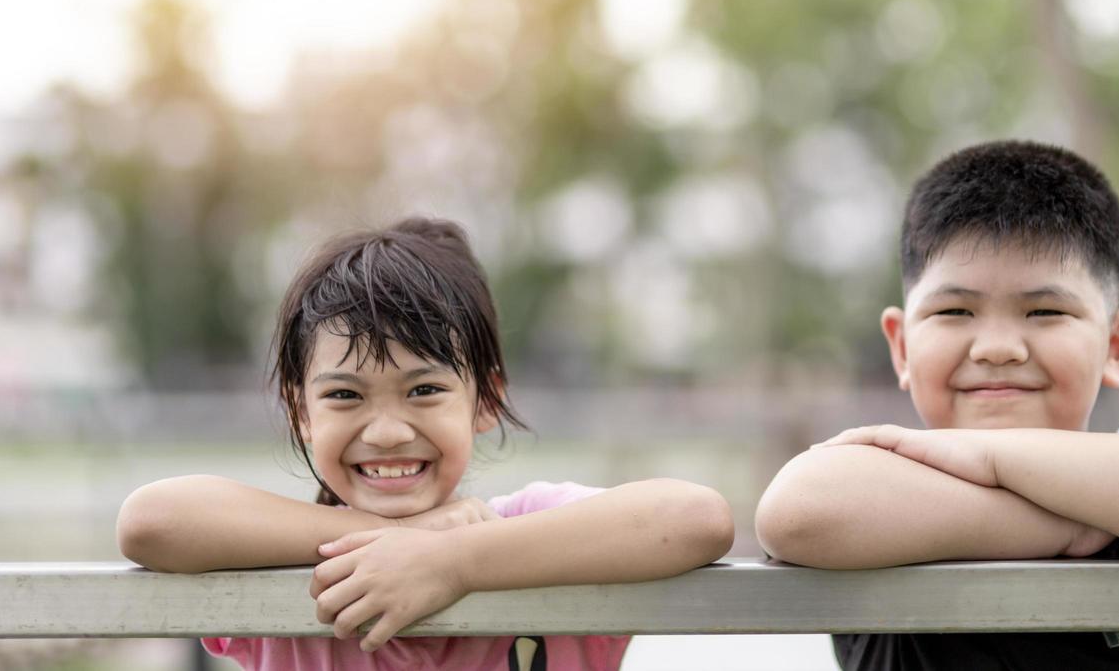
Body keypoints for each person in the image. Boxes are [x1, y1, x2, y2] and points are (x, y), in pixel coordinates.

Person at [754, 140, 1119, 671]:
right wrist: (1064, 528)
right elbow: (795, 512)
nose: (997, 348)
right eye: (954, 312)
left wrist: (991, 458)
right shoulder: (881, 476)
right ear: (901, 346)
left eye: (1043, 312)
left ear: (1117, 345)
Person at [117, 217, 734, 669]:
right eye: (345, 396)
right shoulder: (296, 554)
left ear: (485, 400)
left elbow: (695, 517)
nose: (386, 431)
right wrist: (401, 539)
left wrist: (457, 560)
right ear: (298, 410)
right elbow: (153, 520)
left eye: (423, 390)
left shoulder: (526, 530)